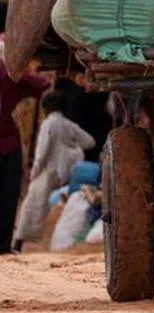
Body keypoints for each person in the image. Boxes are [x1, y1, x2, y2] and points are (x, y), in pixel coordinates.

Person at [11, 89, 95, 251]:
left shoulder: (48, 124)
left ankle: (18, 243)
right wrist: (72, 148)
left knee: (31, 207)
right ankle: (53, 244)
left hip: (47, 172)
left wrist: (34, 172)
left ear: (46, 108)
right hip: (65, 173)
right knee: (57, 207)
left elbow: (42, 153)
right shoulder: (69, 125)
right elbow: (89, 142)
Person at [0, 61, 50, 254]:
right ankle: (3, 246)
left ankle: (3, 246)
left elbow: (41, 85)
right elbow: (41, 85)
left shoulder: (8, 75)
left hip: (9, 144)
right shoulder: (8, 74)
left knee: (9, 195)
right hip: (9, 143)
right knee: (8, 195)